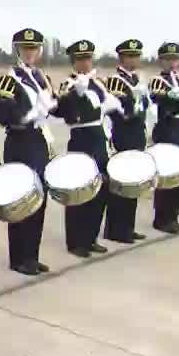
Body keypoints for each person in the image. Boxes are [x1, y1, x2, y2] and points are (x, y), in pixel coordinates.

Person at [0, 28, 55, 276]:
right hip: (20, 140)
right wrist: (29, 114)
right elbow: (3, 113)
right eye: (25, 49)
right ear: (17, 50)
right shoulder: (10, 79)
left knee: (39, 198)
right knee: (21, 199)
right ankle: (18, 258)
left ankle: (32, 255)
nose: (30, 53)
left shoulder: (41, 77)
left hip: (38, 140)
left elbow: (56, 106)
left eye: (34, 49)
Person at [52, 40, 122, 257]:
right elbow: (62, 112)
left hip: (99, 136)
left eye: (88, 58)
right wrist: (77, 94)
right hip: (81, 137)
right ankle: (76, 242)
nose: (85, 63)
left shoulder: (98, 83)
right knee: (79, 190)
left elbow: (107, 106)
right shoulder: (69, 84)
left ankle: (91, 237)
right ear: (73, 62)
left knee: (100, 188)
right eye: (80, 59)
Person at [103, 39, 151, 243]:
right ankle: (116, 230)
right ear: (122, 58)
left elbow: (145, 106)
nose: (135, 59)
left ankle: (128, 227)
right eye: (130, 56)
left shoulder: (137, 80)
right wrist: (136, 105)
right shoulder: (116, 81)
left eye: (137, 55)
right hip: (123, 135)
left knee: (133, 182)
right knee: (121, 183)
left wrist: (141, 101)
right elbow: (120, 112)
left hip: (136, 134)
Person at [149, 42, 179, 233]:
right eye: (168, 59)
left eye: (175, 59)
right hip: (167, 129)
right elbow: (155, 97)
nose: (172, 63)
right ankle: (162, 218)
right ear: (161, 61)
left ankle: (173, 216)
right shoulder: (158, 80)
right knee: (168, 175)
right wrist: (168, 96)